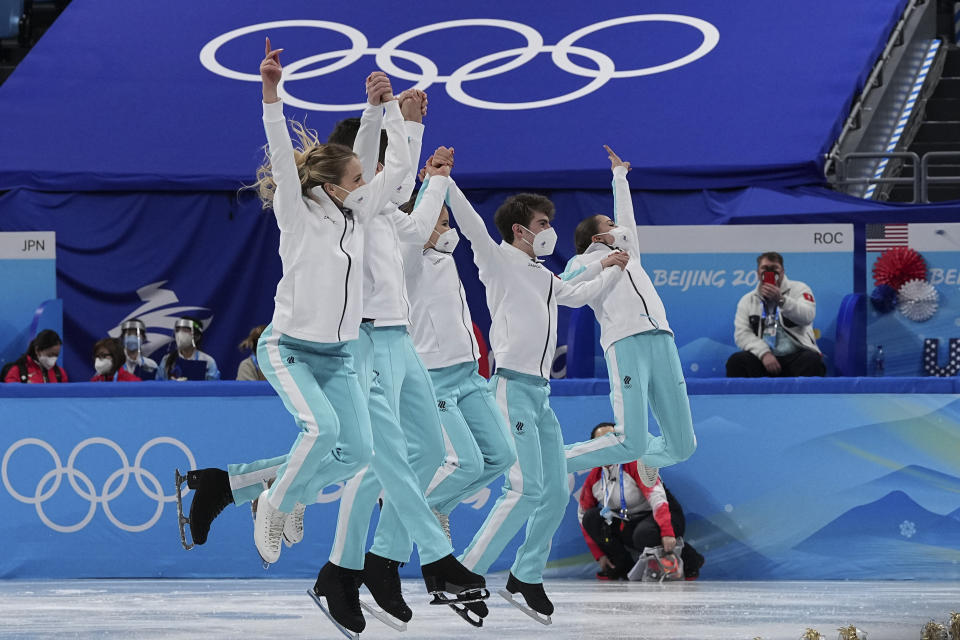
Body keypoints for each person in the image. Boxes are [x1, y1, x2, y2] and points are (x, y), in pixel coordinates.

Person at [448, 168, 628, 622]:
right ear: (519, 229)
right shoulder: (498, 259)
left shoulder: (544, 275)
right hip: (510, 386)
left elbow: (576, 294)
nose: (550, 230)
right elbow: (470, 223)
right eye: (544, 223)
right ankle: (462, 573)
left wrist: (608, 268)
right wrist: (444, 182)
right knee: (525, 488)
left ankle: (526, 575)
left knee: (552, 490)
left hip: (541, 394)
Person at [561, 146, 697, 486]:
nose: (619, 227)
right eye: (611, 224)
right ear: (597, 237)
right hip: (625, 343)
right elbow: (563, 288)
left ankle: (651, 459)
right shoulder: (583, 262)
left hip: (662, 339)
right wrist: (600, 263)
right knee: (629, 439)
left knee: (683, 447)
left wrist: (619, 176)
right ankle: (553, 461)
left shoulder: (629, 255)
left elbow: (629, 220)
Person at [400, 191, 516, 549]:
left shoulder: (446, 259)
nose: (449, 229)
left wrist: (444, 183)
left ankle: (435, 506)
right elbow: (412, 236)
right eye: (442, 221)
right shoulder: (406, 259)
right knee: (464, 463)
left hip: (470, 375)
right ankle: (404, 512)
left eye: (449, 222)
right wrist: (432, 189)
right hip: (434, 379)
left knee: (501, 456)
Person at [578, 423, 704, 581]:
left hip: (665, 515)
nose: (607, 446)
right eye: (601, 442)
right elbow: (583, 516)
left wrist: (667, 532)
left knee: (644, 534)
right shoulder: (595, 477)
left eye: (612, 440)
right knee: (591, 518)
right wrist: (599, 555)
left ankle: (690, 560)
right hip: (631, 521)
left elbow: (658, 498)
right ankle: (622, 565)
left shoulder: (635, 464)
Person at [725, 251, 825, 377]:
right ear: (757, 273)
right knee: (737, 361)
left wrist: (781, 300)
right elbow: (742, 334)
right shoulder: (747, 300)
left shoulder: (800, 289)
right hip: (763, 359)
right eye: (765, 268)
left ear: (783, 272)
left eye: (774, 268)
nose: (770, 272)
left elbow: (808, 316)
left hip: (796, 356)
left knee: (812, 360)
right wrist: (764, 353)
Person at [156, 316, 220, 381]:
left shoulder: (208, 361)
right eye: (178, 330)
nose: (180, 334)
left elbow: (213, 387)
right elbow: (159, 386)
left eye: (185, 330)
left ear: (197, 337)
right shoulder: (167, 360)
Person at [2, 329, 68, 383]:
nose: (53, 359)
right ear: (37, 350)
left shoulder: (60, 373)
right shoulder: (17, 371)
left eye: (56, 355)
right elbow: (11, 396)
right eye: (49, 355)